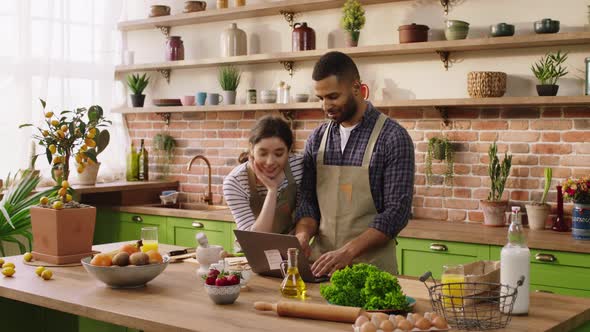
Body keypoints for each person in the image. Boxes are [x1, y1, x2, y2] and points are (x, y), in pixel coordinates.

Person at [295, 51, 415, 276]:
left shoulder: (393, 138)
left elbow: (396, 213)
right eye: (320, 98)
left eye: (333, 96)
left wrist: (348, 252)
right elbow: (307, 202)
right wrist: (302, 235)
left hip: (372, 271)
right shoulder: (317, 138)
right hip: (320, 268)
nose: (325, 106)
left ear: (357, 89)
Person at [223, 115, 303, 234]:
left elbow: (306, 215)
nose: (270, 162)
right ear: (251, 148)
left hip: (290, 247)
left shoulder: (299, 166)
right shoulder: (235, 182)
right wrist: (272, 190)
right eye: (263, 154)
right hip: (252, 249)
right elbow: (254, 239)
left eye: (279, 154)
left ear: (289, 150)